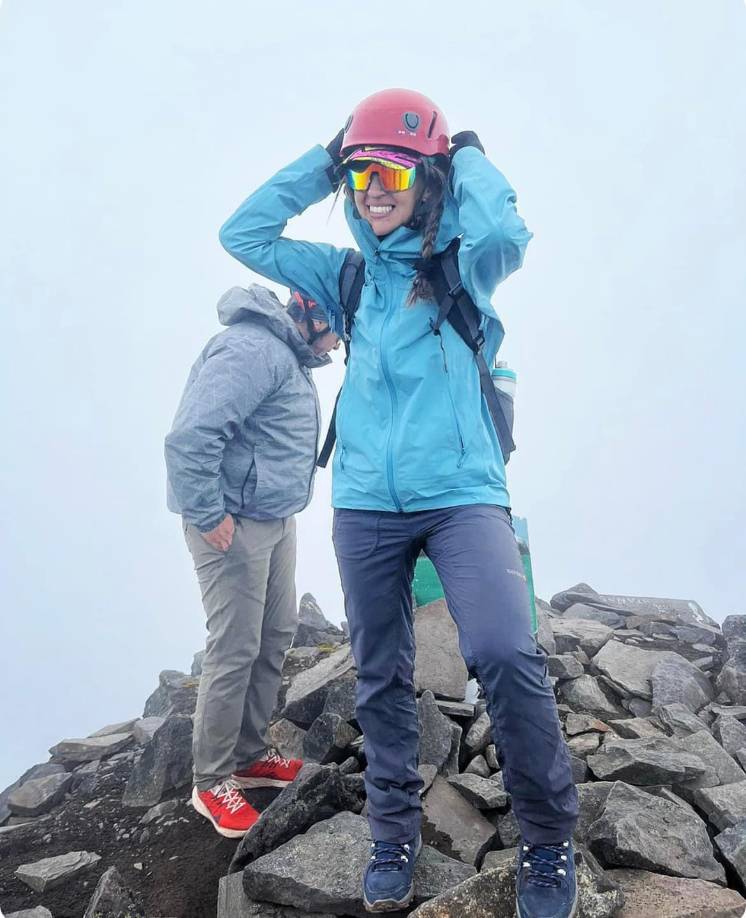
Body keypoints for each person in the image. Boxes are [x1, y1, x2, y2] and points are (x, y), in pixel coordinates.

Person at [219, 88, 579, 916]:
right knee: (380, 676)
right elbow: (242, 233)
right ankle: (392, 828)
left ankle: (549, 835)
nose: (373, 189)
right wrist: (327, 156)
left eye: (390, 171)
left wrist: (467, 152)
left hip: (461, 496)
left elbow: (507, 231)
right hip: (366, 506)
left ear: (428, 178)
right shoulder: (343, 274)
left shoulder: (461, 260)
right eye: (359, 176)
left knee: (503, 651)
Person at [164, 283, 340, 838]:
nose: (339, 342)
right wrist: (208, 512)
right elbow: (191, 435)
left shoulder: (287, 353)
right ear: (312, 315)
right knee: (235, 645)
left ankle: (247, 753)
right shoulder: (252, 347)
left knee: (275, 633)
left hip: (272, 517)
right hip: (231, 522)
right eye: (339, 326)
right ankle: (211, 780)